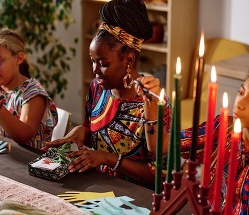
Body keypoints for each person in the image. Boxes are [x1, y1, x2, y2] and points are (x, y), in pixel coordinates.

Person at [44, 0, 171, 189]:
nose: (95, 70)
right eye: (92, 61)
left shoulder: (153, 102)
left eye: (103, 64)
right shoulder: (97, 88)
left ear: (128, 59)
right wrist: (80, 132)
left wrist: (108, 159)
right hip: (98, 189)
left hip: (138, 198)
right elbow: (94, 131)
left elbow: (161, 175)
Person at [160, 68, 249, 214]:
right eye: (241, 93)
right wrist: (153, 105)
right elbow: (164, 144)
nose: (239, 103)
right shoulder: (222, 129)